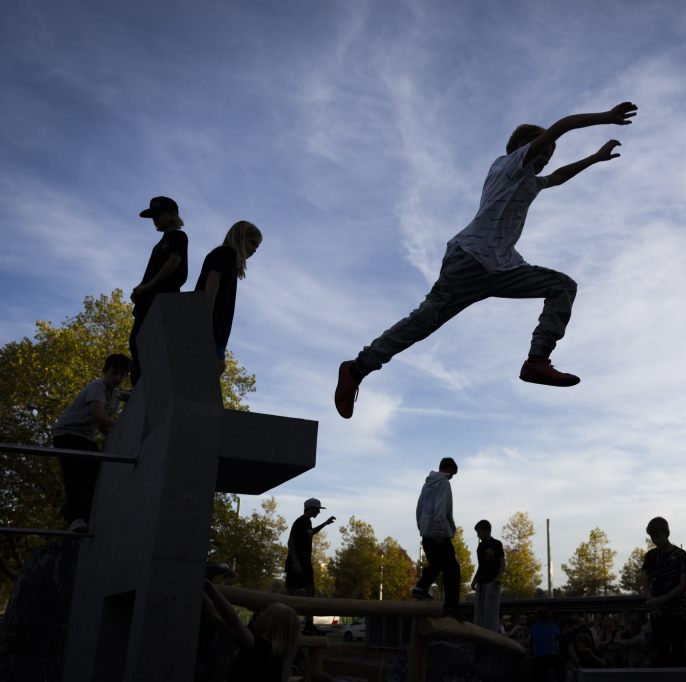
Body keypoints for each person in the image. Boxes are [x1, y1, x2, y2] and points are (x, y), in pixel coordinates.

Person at [333, 101, 639, 419]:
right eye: (545, 151)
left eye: (550, 155)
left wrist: (594, 158)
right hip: (468, 261)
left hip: (504, 267)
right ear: (524, 148)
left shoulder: (530, 181)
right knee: (423, 322)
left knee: (562, 286)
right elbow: (561, 125)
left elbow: (559, 177)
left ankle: (537, 361)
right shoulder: (509, 166)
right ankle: (357, 369)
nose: (547, 159)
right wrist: (605, 118)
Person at [51, 353, 131, 532]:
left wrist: (117, 437)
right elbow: (98, 415)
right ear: (105, 371)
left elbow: (102, 426)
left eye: (122, 374)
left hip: (86, 437)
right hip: (68, 434)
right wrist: (122, 429)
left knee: (96, 475)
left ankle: (71, 510)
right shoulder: (98, 386)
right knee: (76, 474)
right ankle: (76, 518)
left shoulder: (115, 395)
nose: (117, 378)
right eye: (114, 372)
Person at [130, 196, 189, 386]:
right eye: (153, 216)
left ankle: (149, 385)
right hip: (148, 300)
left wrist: (148, 286)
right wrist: (140, 288)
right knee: (137, 342)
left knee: (152, 343)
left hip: (163, 298)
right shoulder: (160, 242)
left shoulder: (178, 236)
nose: (155, 219)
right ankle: (139, 386)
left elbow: (174, 262)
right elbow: (152, 270)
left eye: (158, 214)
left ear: (172, 215)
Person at [195, 220, 263, 374]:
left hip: (217, 327)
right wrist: (206, 312)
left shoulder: (230, 260)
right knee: (212, 368)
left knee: (215, 367)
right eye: (252, 243)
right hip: (212, 324)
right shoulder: (226, 254)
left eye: (257, 247)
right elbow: (213, 278)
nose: (254, 249)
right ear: (241, 237)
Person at [201, 580, 300, 682]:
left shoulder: (263, 648)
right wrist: (204, 596)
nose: (258, 614)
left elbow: (232, 619)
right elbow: (220, 620)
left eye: (265, 613)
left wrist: (209, 588)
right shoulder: (275, 656)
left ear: (270, 623)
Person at [412, 457, 461, 616]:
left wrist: (422, 528)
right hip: (438, 535)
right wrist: (439, 531)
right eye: (452, 473)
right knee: (452, 569)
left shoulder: (426, 485)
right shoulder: (443, 483)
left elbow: (419, 509)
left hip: (427, 533)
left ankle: (420, 588)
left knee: (436, 564)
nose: (452, 477)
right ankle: (451, 606)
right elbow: (441, 508)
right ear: (448, 468)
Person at [642, 516, 686, 667]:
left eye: (657, 536)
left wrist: (658, 601)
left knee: (679, 651)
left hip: (677, 612)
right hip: (657, 613)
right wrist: (651, 602)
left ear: (666, 533)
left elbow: (683, 586)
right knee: (660, 651)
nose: (655, 540)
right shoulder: (650, 556)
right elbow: (645, 581)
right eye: (652, 537)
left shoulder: (682, 556)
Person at [285, 498, 336, 603]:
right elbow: (290, 542)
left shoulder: (308, 522)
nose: (319, 511)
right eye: (317, 509)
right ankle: (282, 615)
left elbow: (311, 532)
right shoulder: (299, 522)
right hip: (297, 562)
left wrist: (326, 523)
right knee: (290, 591)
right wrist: (295, 562)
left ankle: (308, 619)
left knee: (310, 591)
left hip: (305, 562)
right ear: (311, 508)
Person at [471, 519, 505, 632]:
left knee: (490, 611)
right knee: (479, 612)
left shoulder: (496, 544)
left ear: (487, 531)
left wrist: (498, 576)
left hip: (492, 581)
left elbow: (502, 562)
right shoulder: (480, 547)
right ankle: (480, 635)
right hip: (481, 581)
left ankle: (491, 635)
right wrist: (475, 579)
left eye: (479, 532)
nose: (478, 535)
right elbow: (481, 565)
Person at [530, 607, 562, 681]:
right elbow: (558, 641)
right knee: (561, 670)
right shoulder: (554, 626)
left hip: (538, 658)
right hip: (552, 657)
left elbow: (532, 642)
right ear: (549, 616)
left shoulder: (534, 627)